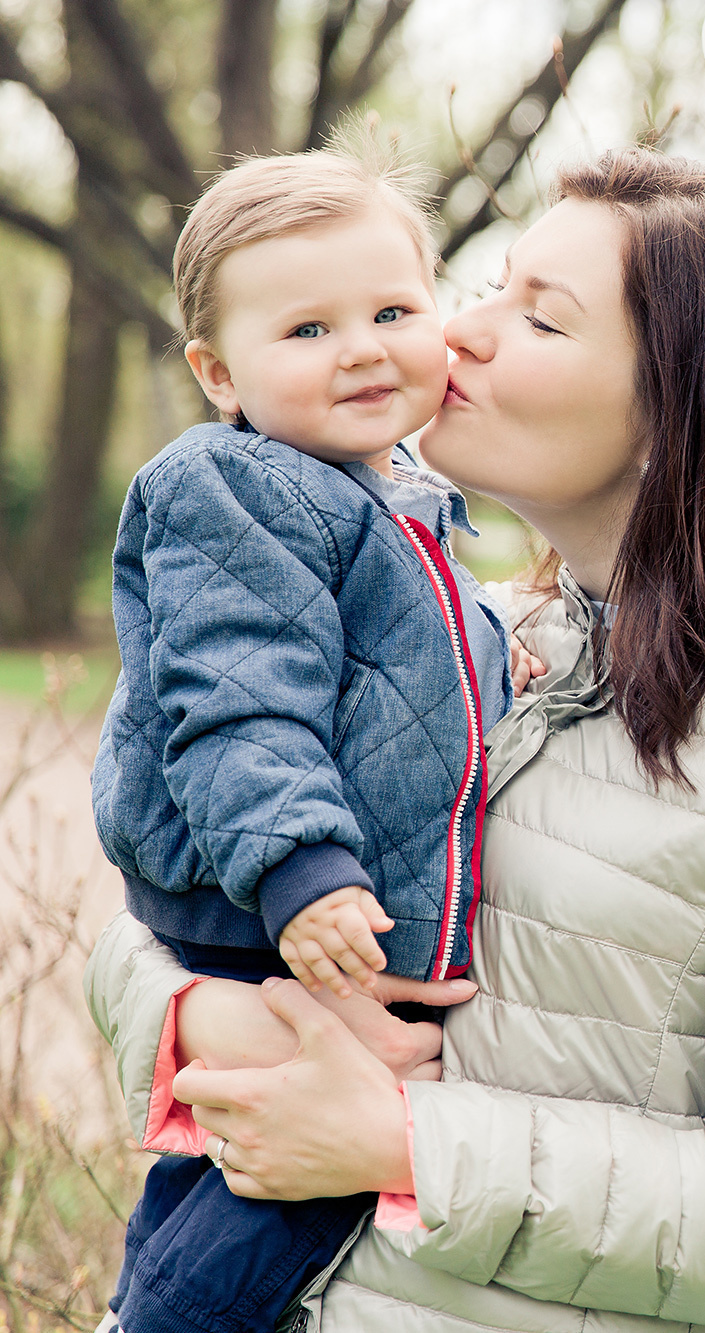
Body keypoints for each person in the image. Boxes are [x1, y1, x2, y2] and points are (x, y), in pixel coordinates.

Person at [87, 148, 705, 1332]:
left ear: (688, 408)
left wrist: (400, 1143)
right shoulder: (472, 640)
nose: (461, 332)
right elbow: (170, 892)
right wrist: (209, 1020)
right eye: (489, 287)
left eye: (539, 320)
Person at [89, 143, 543, 1333]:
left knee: (228, 1165)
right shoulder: (233, 488)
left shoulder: (393, 498)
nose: (360, 346)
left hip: (313, 918)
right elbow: (238, 699)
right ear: (217, 372)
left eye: (393, 310)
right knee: (290, 1182)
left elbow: (403, 682)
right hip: (274, 910)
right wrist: (302, 873)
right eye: (305, 330)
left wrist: (511, 663)